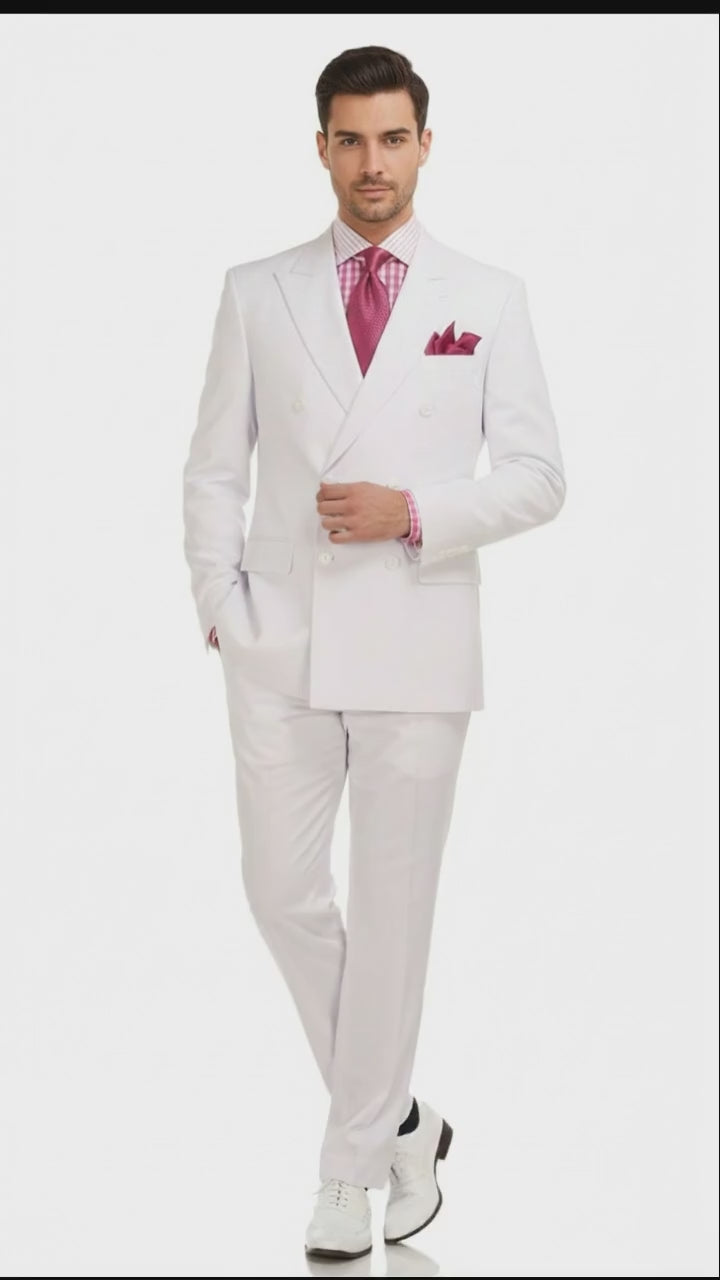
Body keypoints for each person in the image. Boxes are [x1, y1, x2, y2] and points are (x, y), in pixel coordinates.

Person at [182, 44, 566, 1261]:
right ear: (320, 147)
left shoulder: (487, 294)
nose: (372, 163)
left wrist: (414, 510)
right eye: (349, 139)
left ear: (425, 145)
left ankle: (348, 1172)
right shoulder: (258, 288)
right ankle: (402, 1118)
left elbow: (540, 476)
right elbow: (214, 462)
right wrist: (220, 599)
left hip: (416, 632)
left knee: (395, 914)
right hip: (281, 638)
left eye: (392, 138)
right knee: (281, 890)